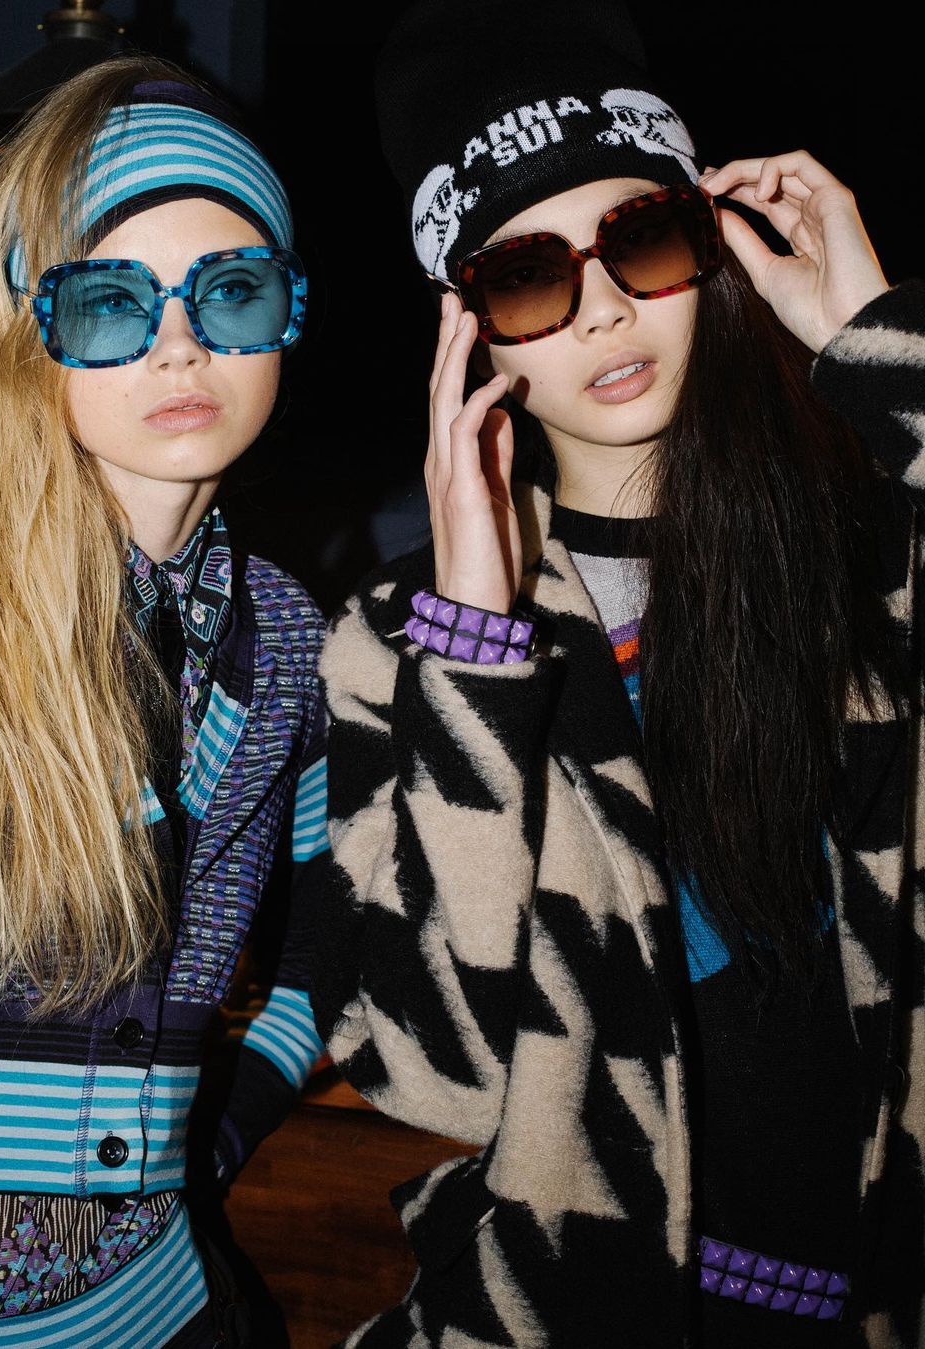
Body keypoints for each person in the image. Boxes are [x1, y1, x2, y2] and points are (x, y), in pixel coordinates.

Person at [313, 2, 925, 1345]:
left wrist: (878, 342)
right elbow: (432, 1071)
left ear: (708, 250)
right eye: (531, 276)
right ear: (470, 327)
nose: (601, 308)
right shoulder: (396, 645)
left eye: (642, 240)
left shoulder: (865, 560)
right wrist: (475, 652)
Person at [0, 56, 328, 1346]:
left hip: (163, 1311)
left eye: (232, 291)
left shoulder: (283, 638)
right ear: (26, 331)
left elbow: (331, 929)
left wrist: (211, 1135)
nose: (181, 345)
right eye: (111, 301)